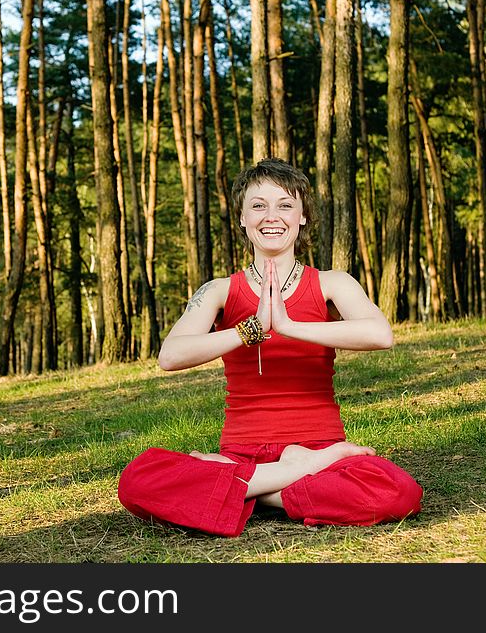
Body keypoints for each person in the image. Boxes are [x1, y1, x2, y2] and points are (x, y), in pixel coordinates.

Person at [117, 157, 422, 537]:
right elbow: (170, 356)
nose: (271, 215)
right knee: (136, 481)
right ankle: (287, 478)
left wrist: (290, 326)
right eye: (258, 205)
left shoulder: (332, 283)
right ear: (243, 219)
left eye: (285, 204)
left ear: (303, 217)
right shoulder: (219, 290)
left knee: (398, 492)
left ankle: (243, 489)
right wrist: (251, 329)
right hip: (242, 453)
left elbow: (380, 335)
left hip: (320, 448)